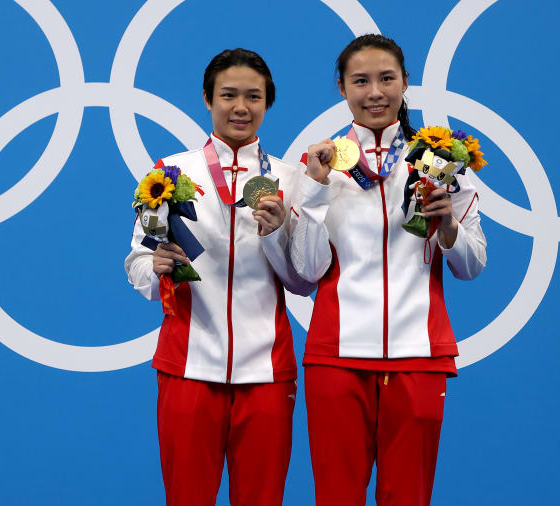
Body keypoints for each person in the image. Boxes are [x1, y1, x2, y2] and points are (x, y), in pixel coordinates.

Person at [289, 34, 487, 506]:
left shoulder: (445, 162)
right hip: (336, 356)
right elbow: (305, 272)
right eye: (360, 81)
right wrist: (316, 193)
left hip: (419, 356)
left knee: (409, 497)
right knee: (336, 496)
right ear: (341, 88)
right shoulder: (317, 166)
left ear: (405, 83)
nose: (374, 92)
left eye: (386, 79)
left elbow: (472, 265)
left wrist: (447, 226)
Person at [124, 48, 313, 506]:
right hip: (188, 366)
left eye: (254, 96)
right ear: (207, 99)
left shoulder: (291, 179)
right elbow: (136, 261)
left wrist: (275, 236)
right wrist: (156, 268)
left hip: (267, 371)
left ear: (268, 103)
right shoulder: (168, 173)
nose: (241, 107)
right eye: (228, 95)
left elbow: (304, 281)